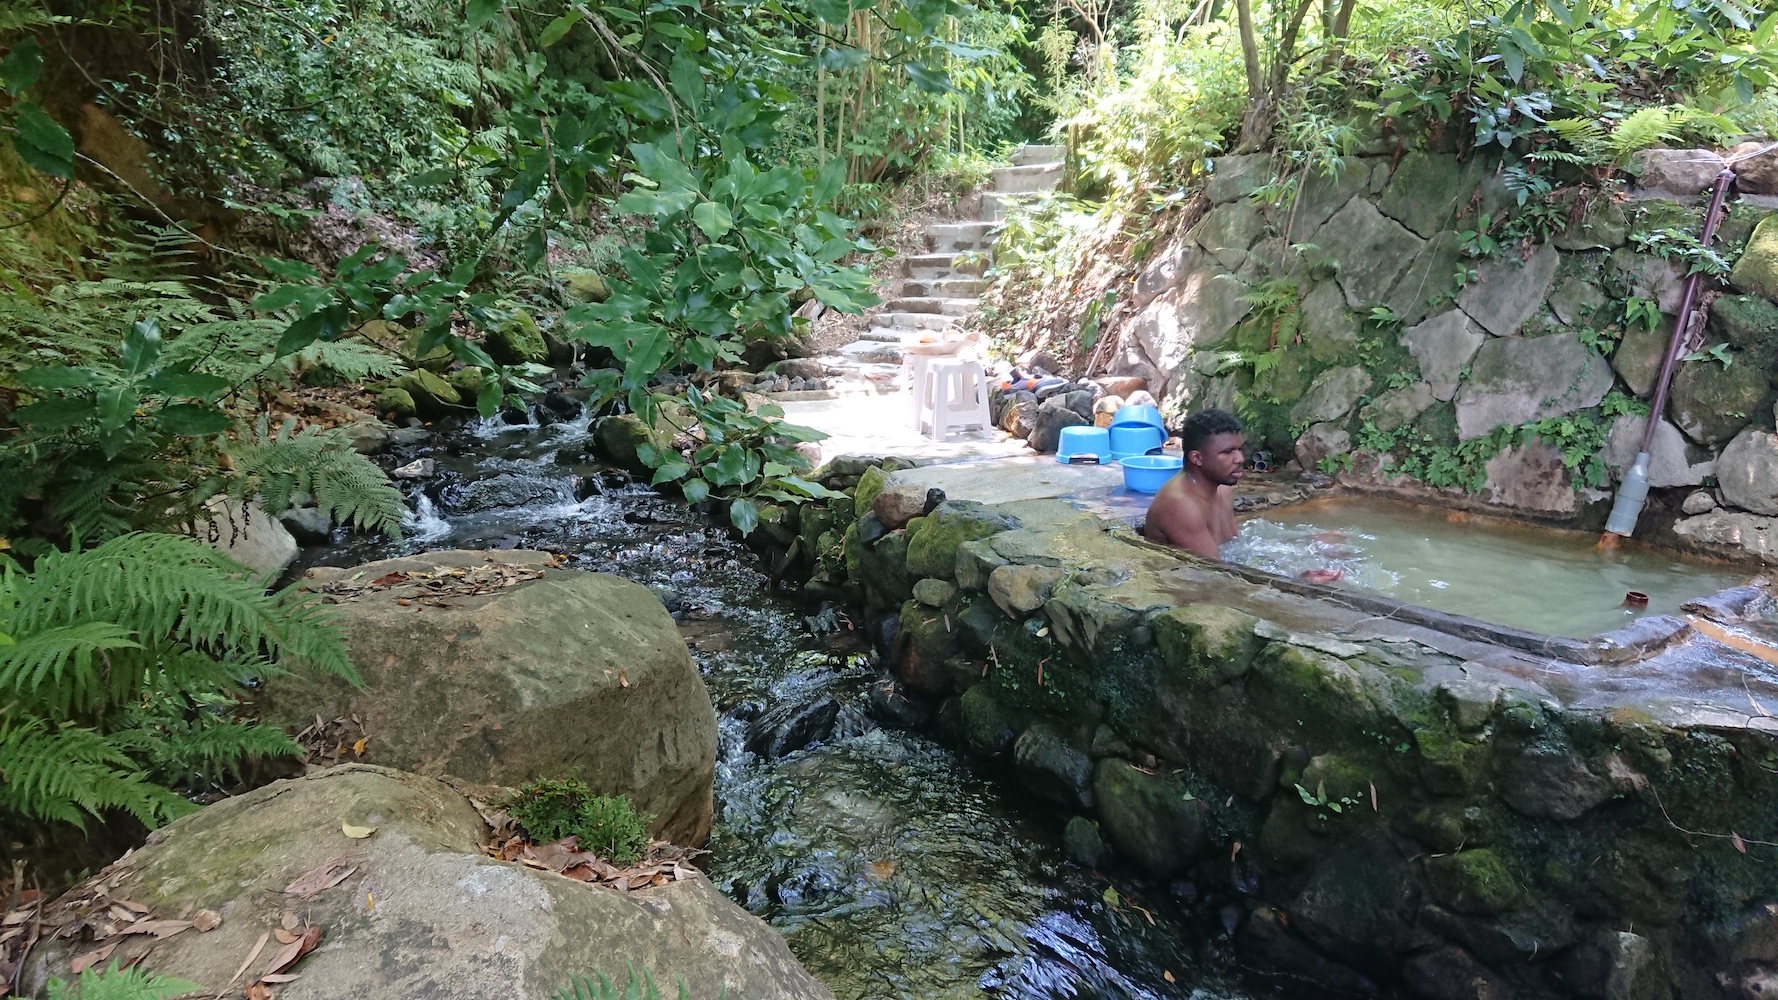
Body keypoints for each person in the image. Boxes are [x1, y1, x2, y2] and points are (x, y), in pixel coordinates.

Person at [1144, 408, 1343, 584]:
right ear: (1197, 458)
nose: (1240, 459)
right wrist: (1295, 582)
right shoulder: (1180, 505)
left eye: (1239, 449)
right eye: (1227, 452)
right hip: (1185, 589)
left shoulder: (1223, 490)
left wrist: (1303, 544)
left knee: (1330, 541)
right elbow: (1217, 577)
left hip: (1216, 570)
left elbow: (1235, 549)